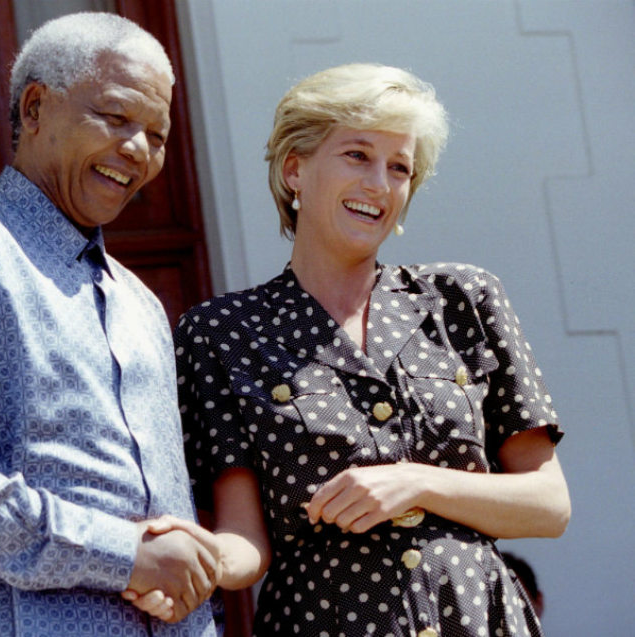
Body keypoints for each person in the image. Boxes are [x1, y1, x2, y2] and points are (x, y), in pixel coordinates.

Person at [127, 63, 571, 636]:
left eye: (399, 167)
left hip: (476, 618)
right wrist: (194, 561)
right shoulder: (218, 333)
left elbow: (548, 504)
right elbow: (245, 539)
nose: (379, 185)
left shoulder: (465, 299)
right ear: (294, 169)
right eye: (357, 155)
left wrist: (417, 482)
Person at [0, 12, 218, 637]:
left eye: (157, 135)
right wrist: (120, 553)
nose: (138, 149)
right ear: (34, 109)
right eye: (116, 117)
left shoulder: (140, 304)